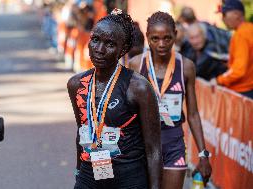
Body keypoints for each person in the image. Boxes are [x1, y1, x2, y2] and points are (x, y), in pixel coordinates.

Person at [67, 9, 162, 189]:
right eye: (95, 40)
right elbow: (82, 130)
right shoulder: (76, 84)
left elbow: (154, 149)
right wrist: (78, 173)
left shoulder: (138, 88)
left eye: (110, 44)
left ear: (123, 49)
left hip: (129, 176)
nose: (99, 50)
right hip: (90, 173)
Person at [129, 11, 212, 189]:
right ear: (147, 37)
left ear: (175, 35)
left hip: (173, 143)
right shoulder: (136, 64)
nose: (161, 44)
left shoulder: (187, 67)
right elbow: (129, 109)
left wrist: (203, 155)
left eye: (167, 38)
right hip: (142, 144)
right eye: (155, 38)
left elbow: (193, 114)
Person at [214, 0, 253, 99]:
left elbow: (239, 70)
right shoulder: (249, 28)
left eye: (224, 14)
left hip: (242, 91)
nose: (222, 19)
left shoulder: (240, 35)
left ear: (236, 14)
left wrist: (219, 80)